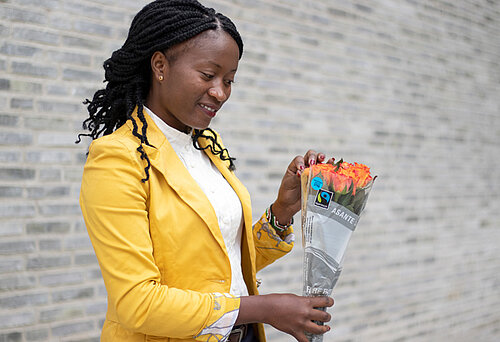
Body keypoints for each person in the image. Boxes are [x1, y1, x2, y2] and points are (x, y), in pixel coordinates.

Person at [78, 1, 334, 341]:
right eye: (208, 75)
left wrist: (282, 212)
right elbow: (137, 303)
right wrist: (264, 309)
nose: (220, 92)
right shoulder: (118, 159)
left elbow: (217, 265)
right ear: (160, 65)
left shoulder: (206, 146)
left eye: (229, 80)